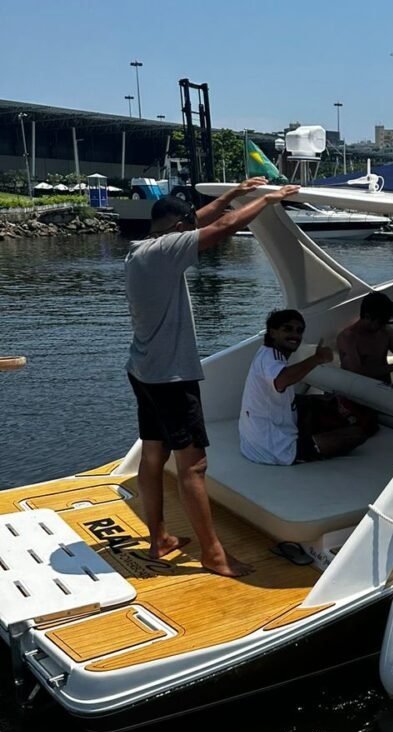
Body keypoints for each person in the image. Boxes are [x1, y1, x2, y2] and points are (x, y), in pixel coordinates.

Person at [125, 177, 300, 577]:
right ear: (177, 230)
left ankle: (160, 539)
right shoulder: (168, 249)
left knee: (154, 455)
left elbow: (198, 222)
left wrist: (231, 195)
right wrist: (269, 200)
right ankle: (214, 555)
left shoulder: (141, 250)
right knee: (194, 466)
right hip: (171, 377)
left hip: (143, 370)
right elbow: (221, 228)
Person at [240, 309, 367, 466]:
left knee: (312, 403)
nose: (295, 335)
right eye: (288, 329)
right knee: (357, 434)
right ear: (273, 332)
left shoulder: (265, 352)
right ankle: (309, 449)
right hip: (276, 450)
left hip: (254, 443)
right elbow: (281, 380)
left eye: (299, 331)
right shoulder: (270, 358)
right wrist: (317, 359)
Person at [336, 291, 393, 384]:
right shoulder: (348, 338)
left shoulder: (386, 331)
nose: (383, 326)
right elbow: (355, 372)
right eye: (381, 322)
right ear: (367, 317)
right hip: (357, 389)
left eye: (386, 322)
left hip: (383, 388)